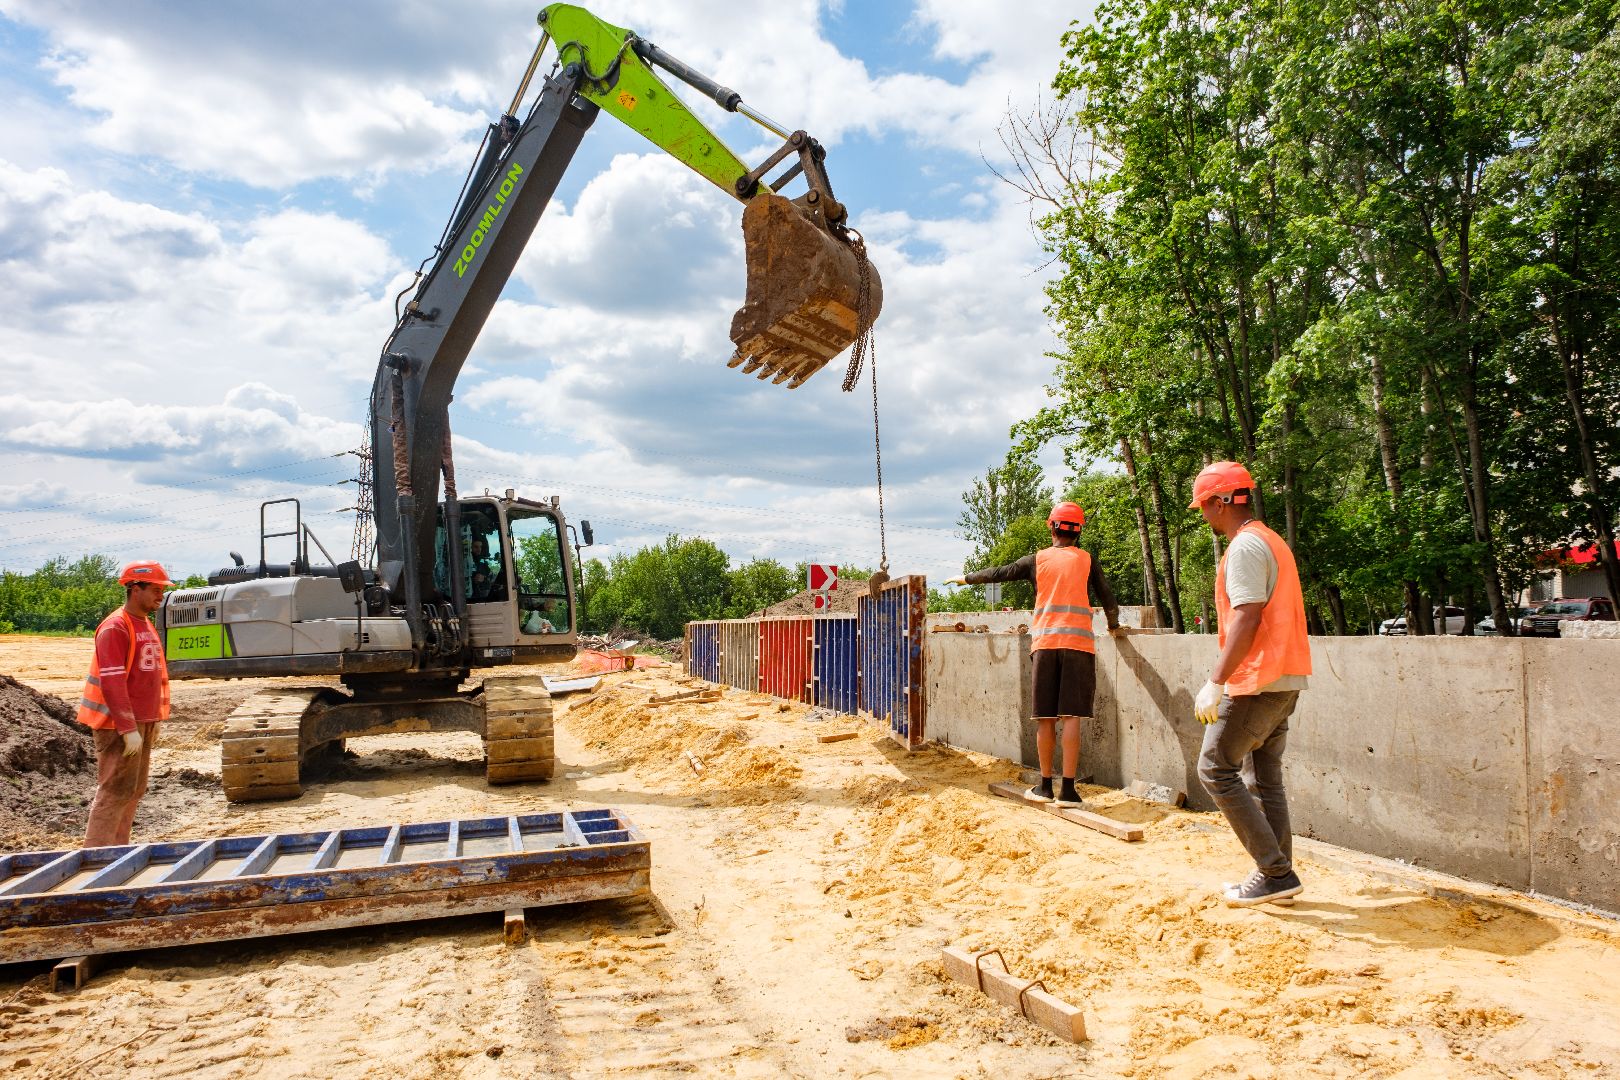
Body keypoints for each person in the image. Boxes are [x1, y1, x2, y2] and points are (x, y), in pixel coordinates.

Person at [1188, 461, 1312, 906]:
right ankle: (1280, 874)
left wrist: (1216, 680)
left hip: (1258, 677)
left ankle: (1274, 871)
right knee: (1262, 777)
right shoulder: (1270, 540)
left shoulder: (1243, 548)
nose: (1204, 515)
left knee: (1214, 767)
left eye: (1204, 506)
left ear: (1220, 502)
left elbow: (1247, 614)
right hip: (1285, 674)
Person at [947, 502, 1122, 807]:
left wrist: (966, 578)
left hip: (1045, 645)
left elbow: (1000, 573)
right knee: (1071, 718)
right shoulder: (1087, 560)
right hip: (1079, 646)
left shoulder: (1036, 560)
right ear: (1078, 530)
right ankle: (1068, 791)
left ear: (1051, 526)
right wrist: (1115, 626)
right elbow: (1108, 598)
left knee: (1045, 718)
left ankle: (1044, 787)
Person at [78, 560, 174, 847]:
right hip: (116, 724)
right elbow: (112, 681)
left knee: (134, 790)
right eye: (155, 589)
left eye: (162, 589)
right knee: (115, 790)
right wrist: (126, 727)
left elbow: (147, 678)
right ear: (135, 588)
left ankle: (118, 852)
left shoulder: (144, 623)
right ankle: (96, 858)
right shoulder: (115, 627)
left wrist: (152, 720)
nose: (160, 595)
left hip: (141, 721)